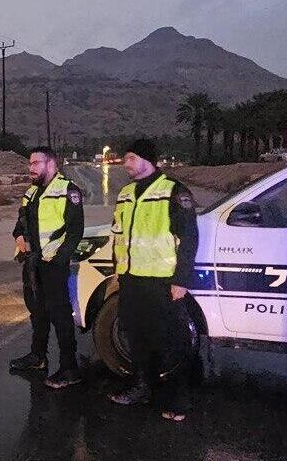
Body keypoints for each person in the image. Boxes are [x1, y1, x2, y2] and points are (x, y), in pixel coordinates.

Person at [107, 138, 198, 422]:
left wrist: (180, 280)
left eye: (131, 157)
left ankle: (176, 399)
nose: (126, 163)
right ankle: (141, 387)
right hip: (132, 280)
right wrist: (118, 272)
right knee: (137, 337)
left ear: (147, 159)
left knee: (172, 340)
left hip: (163, 282)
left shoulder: (173, 192)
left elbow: (189, 239)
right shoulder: (125, 193)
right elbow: (118, 238)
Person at [9, 146, 85, 389]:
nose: (30, 168)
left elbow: (75, 232)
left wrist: (59, 259)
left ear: (51, 164)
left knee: (60, 316)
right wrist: (19, 236)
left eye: (35, 163)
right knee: (37, 313)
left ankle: (69, 368)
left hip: (53, 265)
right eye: (29, 163)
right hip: (32, 264)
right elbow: (20, 222)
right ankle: (37, 357)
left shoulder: (68, 191)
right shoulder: (31, 193)